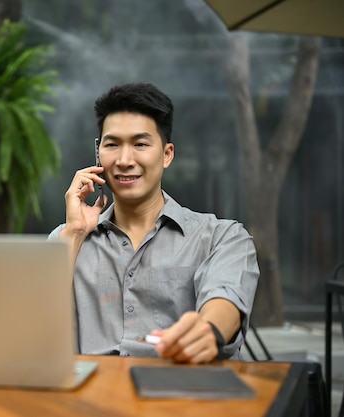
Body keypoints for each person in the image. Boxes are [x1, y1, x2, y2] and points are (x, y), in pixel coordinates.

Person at [48, 82, 259, 363]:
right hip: (91, 401)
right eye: (112, 145)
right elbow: (33, 328)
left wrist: (207, 330)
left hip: (180, 396)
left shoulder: (220, 237)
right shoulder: (66, 240)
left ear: (167, 154)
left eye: (140, 144)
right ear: (99, 154)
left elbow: (227, 298)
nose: (124, 160)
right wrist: (74, 233)